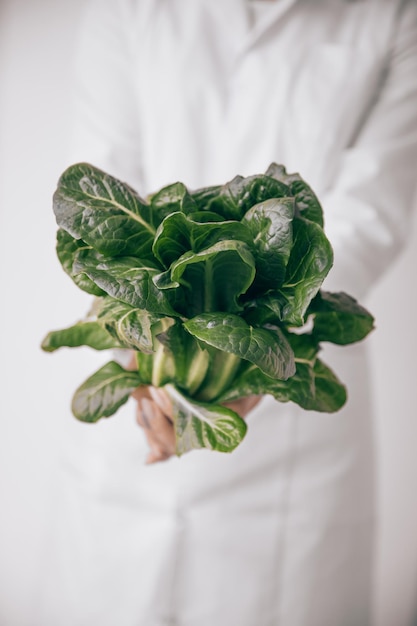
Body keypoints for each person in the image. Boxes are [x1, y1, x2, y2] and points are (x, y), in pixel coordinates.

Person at [46, 1, 417, 625]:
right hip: (140, 402)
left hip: (294, 415)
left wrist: (252, 351)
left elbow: (371, 214)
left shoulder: (396, 14)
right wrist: (147, 360)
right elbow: (101, 200)